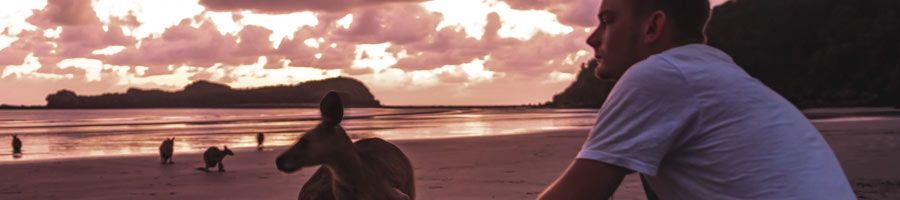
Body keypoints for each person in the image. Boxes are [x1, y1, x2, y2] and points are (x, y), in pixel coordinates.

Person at [538, 0, 855, 199]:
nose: (592, 38)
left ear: (653, 27)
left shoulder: (661, 75)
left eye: (607, 20)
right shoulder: (717, 75)